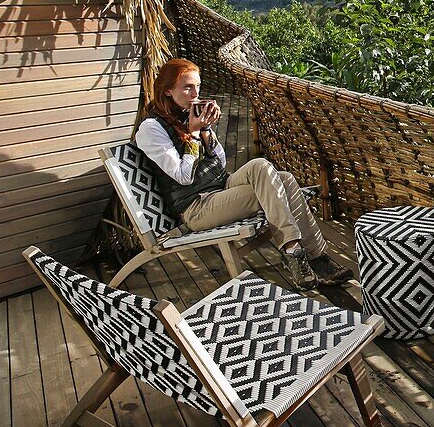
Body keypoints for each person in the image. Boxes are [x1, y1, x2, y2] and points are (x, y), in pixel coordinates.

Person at [135, 58, 351, 288]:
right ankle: (297, 251)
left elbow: (219, 162)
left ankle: (308, 254)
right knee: (279, 188)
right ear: (167, 91)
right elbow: (183, 176)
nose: (195, 94)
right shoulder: (151, 129)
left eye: (198, 86)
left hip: (221, 188)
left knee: (276, 174)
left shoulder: (188, 116)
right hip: (196, 207)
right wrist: (195, 135)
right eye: (187, 87)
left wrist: (207, 131)